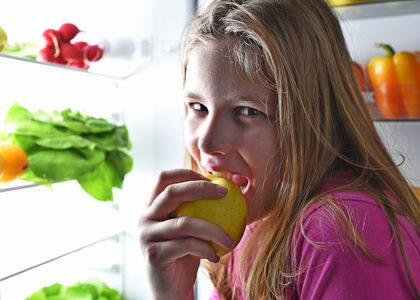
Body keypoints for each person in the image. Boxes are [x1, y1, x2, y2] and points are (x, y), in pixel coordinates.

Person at [138, 0, 420, 299]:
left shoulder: (341, 231)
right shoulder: (260, 214)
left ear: (316, 116)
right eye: (198, 107)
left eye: (248, 111)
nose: (207, 143)